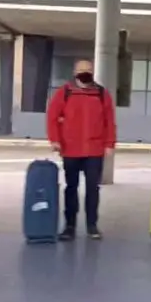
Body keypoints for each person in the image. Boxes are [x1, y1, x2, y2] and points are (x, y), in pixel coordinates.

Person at [45, 59, 116, 241]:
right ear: (75, 72)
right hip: (71, 149)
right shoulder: (65, 92)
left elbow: (109, 121)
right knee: (71, 188)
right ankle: (69, 226)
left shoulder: (101, 94)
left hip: (94, 150)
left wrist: (109, 144)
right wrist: (55, 140)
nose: (86, 72)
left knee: (93, 189)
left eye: (89, 70)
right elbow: (52, 117)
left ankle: (92, 225)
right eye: (82, 70)